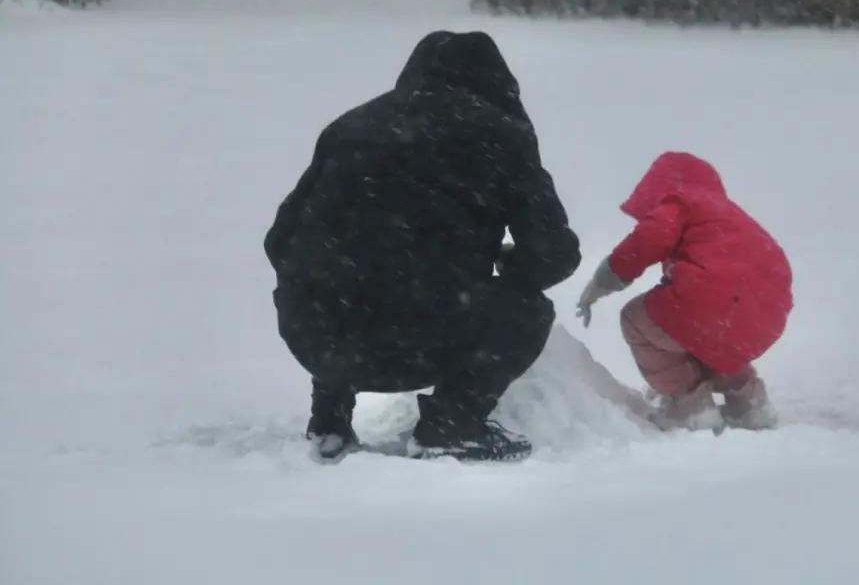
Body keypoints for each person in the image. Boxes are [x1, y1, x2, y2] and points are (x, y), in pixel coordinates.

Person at [265, 31, 580, 461]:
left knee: (336, 275)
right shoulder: (501, 136)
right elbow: (554, 255)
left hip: (316, 336)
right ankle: (450, 428)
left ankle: (330, 420)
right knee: (527, 311)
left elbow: (281, 239)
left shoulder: (350, 128)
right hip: (416, 339)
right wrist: (506, 265)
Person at [576, 152, 792, 431]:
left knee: (637, 318)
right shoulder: (729, 215)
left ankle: (690, 406)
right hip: (770, 313)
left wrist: (603, 281)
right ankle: (750, 403)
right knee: (718, 339)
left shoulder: (681, 200)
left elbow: (650, 237)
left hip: (711, 300)